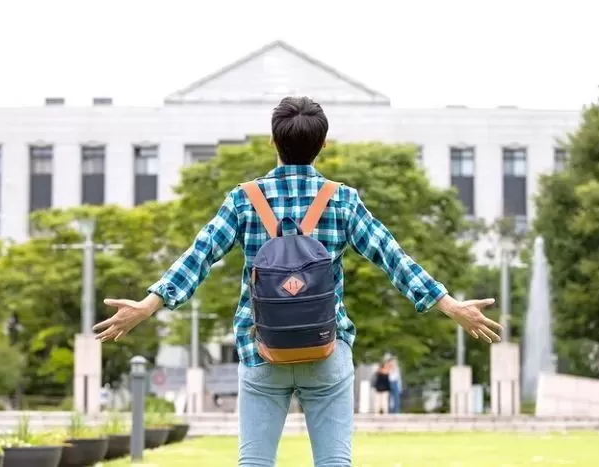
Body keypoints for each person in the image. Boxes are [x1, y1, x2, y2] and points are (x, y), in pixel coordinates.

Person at [93, 96, 503, 467]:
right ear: (322, 145)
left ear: (274, 141)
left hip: (261, 350)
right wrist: (449, 304)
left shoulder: (244, 199)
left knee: (254, 462)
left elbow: (199, 256)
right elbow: (391, 256)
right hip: (326, 350)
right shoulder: (341, 199)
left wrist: (150, 303)